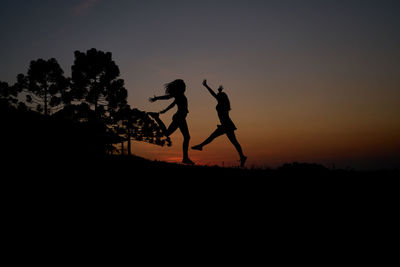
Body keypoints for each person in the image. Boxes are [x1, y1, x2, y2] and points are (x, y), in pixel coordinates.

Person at [191, 79, 247, 167]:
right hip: (226, 125)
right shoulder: (223, 103)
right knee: (233, 142)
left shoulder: (223, 105)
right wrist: (218, 90)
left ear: (221, 98)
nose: (217, 96)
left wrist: (206, 86)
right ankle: (242, 157)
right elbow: (215, 94)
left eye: (219, 95)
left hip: (226, 125)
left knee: (214, 137)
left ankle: (200, 146)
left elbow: (213, 94)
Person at [148, 79, 194, 165]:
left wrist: (165, 110)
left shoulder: (180, 95)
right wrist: (157, 98)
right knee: (186, 137)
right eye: (184, 86)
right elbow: (168, 97)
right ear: (181, 87)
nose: (185, 87)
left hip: (180, 118)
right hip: (179, 118)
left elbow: (173, 104)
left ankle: (156, 117)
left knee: (168, 133)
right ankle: (185, 158)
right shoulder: (179, 95)